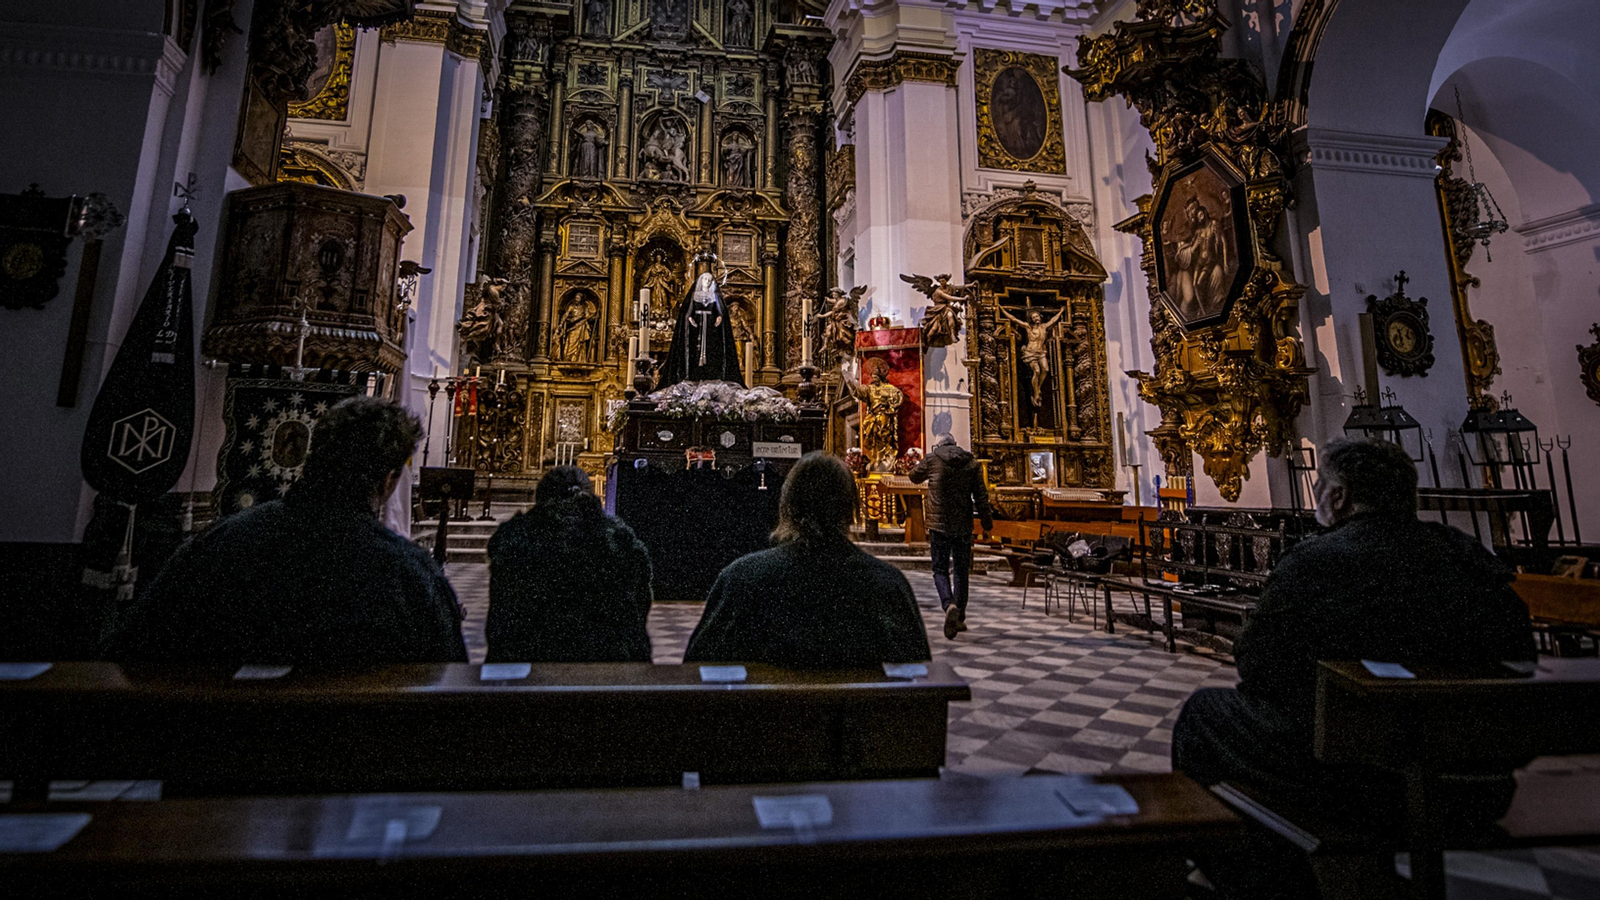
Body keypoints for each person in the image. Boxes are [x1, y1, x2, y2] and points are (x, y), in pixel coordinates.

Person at [1171, 438, 1535, 899]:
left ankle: (1256, 879)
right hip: (1476, 784)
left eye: (1320, 484)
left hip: (1361, 784)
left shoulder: (1318, 561)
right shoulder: (1466, 556)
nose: (1318, 491)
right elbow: (1520, 655)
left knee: (1205, 714)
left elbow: (1257, 665)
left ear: (1339, 497)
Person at [105, 397, 466, 666]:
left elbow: (129, 649)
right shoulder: (410, 575)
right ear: (388, 481)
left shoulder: (219, 543)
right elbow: (446, 681)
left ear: (314, 455)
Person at [684, 452, 930, 667]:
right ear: (850, 510)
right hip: (856, 719)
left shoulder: (742, 578)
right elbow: (918, 668)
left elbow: (697, 663)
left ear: (788, 506)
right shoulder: (888, 584)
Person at [486, 466, 653, 662]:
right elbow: (640, 605)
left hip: (527, 663)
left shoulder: (515, 541)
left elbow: (500, 617)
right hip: (610, 665)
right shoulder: (619, 542)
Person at [909, 434, 993, 640]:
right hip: (963, 524)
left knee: (939, 569)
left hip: (939, 524)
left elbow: (913, 476)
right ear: (955, 444)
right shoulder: (971, 462)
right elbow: (981, 495)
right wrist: (987, 522)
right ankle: (960, 616)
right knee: (962, 570)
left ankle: (949, 605)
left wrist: (918, 465)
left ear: (939, 444)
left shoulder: (932, 458)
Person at [659, 271, 744, 388]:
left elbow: (719, 311)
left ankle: (710, 373)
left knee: (711, 348)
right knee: (695, 348)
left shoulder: (715, 296)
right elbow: (688, 312)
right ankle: (694, 374)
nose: (707, 282)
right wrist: (690, 319)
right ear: (701, 281)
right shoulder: (694, 295)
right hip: (696, 327)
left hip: (711, 327)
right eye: (705, 280)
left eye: (709, 280)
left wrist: (719, 317)